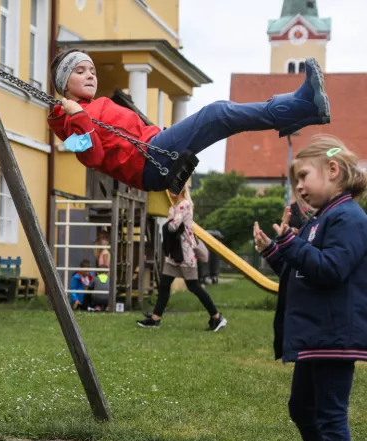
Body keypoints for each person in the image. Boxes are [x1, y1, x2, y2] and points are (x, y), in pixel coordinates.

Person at [254, 135, 367, 441]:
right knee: (302, 409)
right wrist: (275, 250)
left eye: (303, 176)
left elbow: (331, 269)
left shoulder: (348, 218)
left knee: (331, 416)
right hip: (314, 336)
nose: (298, 186)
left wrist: (290, 241)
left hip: (334, 336)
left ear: (333, 170)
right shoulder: (319, 219)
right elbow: (300, 270)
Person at [47, 50, 330, 193]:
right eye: (79, 71)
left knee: (220, 116)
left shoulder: (94, 106)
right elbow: (92, 157)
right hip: (147, 161)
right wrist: (79, 115)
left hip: (153, 150)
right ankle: (299, 106)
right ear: (64, 83)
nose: (90, 75)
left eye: (92, 70)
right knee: (216, 114)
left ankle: (303, 112)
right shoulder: (69, 121)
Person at [138, 185, 227, 331]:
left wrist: (168, 224)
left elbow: (173, 227)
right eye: (170, 188)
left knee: (194, 287)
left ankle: (217, 317)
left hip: (185, 254)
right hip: (175, 254)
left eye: (175, 188)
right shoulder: (174, 207)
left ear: (183, 189)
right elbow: (171, 226)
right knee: (165, 284)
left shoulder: (184, 205)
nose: (172, 191)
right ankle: (155, 319)